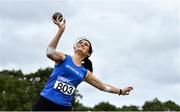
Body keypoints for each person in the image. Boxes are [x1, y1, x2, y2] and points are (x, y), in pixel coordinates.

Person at [33, 15, 133, 111]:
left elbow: (103, 86)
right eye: (80, 43)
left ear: (88, 53)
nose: (82, 44)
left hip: (64, 107)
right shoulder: (63, 58)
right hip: (46, 102)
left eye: (86, 45)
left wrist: (120, 91)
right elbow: (49, 52)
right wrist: (60, 31)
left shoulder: (84, 72)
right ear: (75, 47)